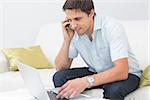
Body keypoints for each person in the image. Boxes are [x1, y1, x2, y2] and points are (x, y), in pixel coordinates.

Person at [53, 0, 142, 100]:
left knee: (113, 90)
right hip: (97, 72)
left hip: (126, 75)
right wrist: (67, 40)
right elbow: (60, 68)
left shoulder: (111, 26)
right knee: (59, 77)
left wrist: (85, 81)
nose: (73, 25)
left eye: (77, 19)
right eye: (69, 20)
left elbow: (121, 71)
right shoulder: (74, 31)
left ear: (91, 13)